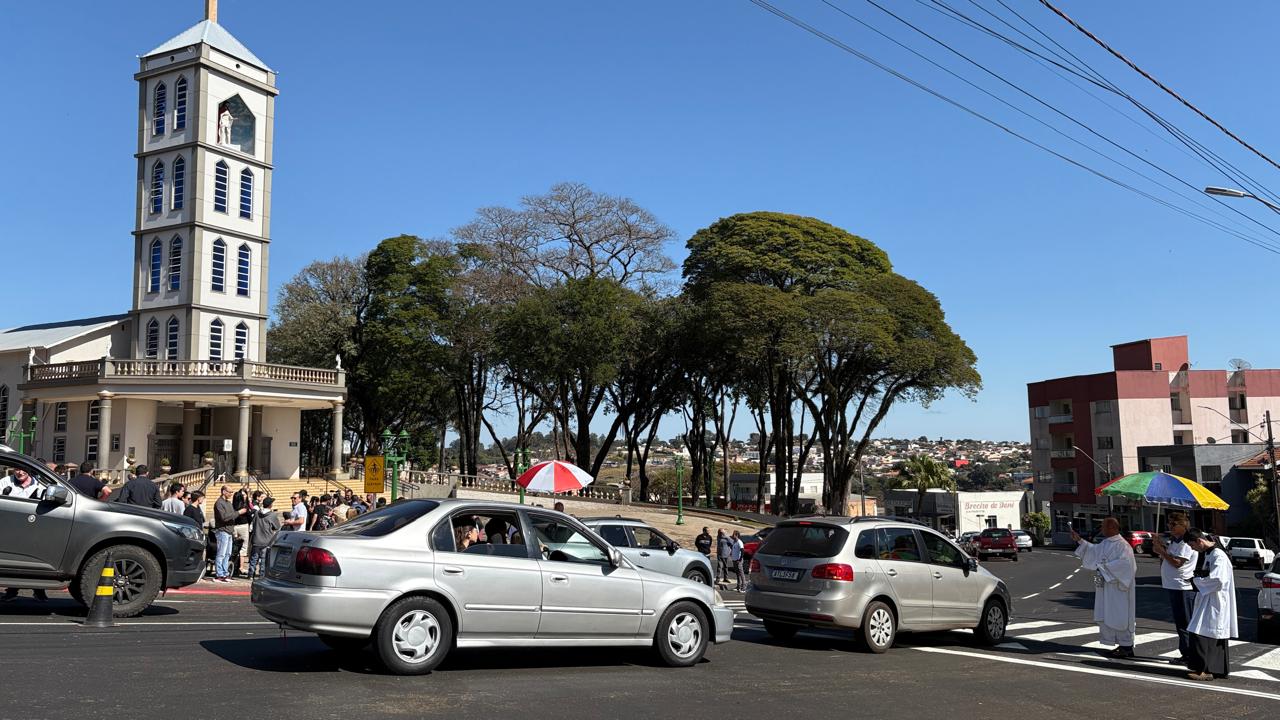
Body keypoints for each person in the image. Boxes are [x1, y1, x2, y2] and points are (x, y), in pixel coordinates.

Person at [1071, 518, 1137, 658]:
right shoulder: (1106, 543)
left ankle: (1126, 646)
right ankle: (1120, 644)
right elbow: (1093, 551)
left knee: (1120, 615)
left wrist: (1104, 567)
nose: (1101, 529)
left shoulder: (1123, 546)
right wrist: (1079, 540)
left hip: (1119, 588)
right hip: (1107, 586)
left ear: (1112, 527)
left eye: (1103, 526)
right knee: (1108, 614)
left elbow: (1126, 566)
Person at [1184, 528, 1237, 681]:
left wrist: (1196, 582)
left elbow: (1218, 580)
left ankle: (1204, 670)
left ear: (1199, 541)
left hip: (1215, 600)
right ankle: (1217, 669)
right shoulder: (1209, 554)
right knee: (1210, 633)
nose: (1192, 549)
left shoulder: (1218, 556)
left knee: (1201, 632)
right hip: (1209, 598)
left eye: (1192, 545)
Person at [1152, 519, 1198, 664]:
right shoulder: (1175, 542)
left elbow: (1177, 563)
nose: (1169, 526)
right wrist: (1160, 546)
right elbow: (1167, 558)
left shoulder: (1186, 543)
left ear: (1183, 526)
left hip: (1182, 586)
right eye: (1169, 524)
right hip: (1173, 585)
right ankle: (1185, 652)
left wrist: (1163, 552)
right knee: (1180, 621)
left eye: (1173, 524)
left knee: (1185, 621)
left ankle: (1189, 653)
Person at [1, 468, 49, 603]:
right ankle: (12, 591)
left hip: (34, 527)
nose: (20, 472)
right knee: (15, 559)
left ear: (29, 470)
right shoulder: (5, 482)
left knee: (36, 559)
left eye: (23, 470)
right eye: (17, 469)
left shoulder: (39, 484)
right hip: (11, 527)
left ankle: (39, 590)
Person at [212, 485, 245, 582]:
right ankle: (219, 574)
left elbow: (232, 516)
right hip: (222, 531)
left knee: (227, 554)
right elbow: (224, 517)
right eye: (230, 492)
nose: (231, 494)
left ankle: (225, 573)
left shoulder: (228, 503)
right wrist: (238, 512)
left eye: (232, 492)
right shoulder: (219, 503)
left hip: (229, 531)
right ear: (223, 492)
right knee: (221, 554)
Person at [248, 497, 281, 579]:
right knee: (264, 559)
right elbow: (277, 527)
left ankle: (251, 574)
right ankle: (262, 575)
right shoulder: (272, 515)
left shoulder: (257, 513)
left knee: (253, 558)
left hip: (256, 539)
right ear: (270, 505)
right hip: (267, 540)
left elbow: (254, 523)